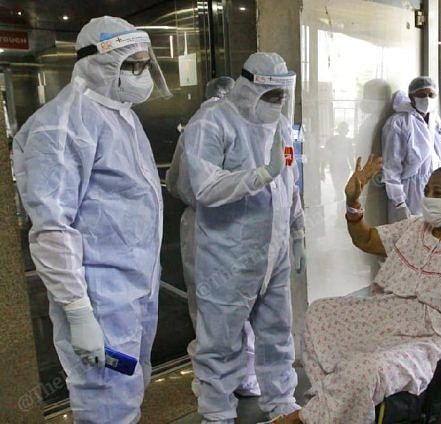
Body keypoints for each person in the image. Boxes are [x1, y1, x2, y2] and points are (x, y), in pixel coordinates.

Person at [270, 158, 441, 424]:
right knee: (320, 314)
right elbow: (366, 239)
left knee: (364, 370)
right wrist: (352, 203)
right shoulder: (417, 228)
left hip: (440, 338)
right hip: (398, 316)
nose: (428, 198)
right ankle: (333, 405)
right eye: (426, 191)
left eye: (437, 194)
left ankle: (308, 417)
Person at [12, 16, 170, 422]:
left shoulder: (122, 115)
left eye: (143, 64)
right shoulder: (61, 126)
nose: (139, 74)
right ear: (97, 63)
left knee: (127, 394)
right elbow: (51, 228)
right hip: (99, 298)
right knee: (105, 405)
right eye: (130, 65)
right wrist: (79, 312)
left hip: (133, 290)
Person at [183, 52, 305, 423]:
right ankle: (217, 410)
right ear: (248, 88)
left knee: (277, 329)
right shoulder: (212, 122)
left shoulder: (281, 125)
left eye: (282, 95)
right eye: (271, 96)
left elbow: (289, 179)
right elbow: (205, 187)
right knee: (220, 338)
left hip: (275, 249)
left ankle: (281, 399)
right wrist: (259, 175)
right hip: (228, 254)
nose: (278, 104)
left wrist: (297, 228)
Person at [165, 76, 261, 397]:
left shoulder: (198, 126)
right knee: (238, 303)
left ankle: (217, 383)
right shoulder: (241, 126)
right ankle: (242, 377)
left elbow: (176, 181)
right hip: (235, 226)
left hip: (205, 227)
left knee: (208, 307)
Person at [381, 76, 441, 223]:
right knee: (408, 239)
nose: (427, 99)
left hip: (435, 191)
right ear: (411, 97)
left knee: (431, 238)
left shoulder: (435, 121)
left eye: (431, 95)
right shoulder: (398, 122)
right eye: (422, 95)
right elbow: (391, 166)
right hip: (410, 193)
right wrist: (399, 202)